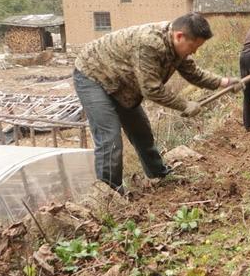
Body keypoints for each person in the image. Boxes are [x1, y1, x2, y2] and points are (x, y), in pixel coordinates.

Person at [73, 12, 241, 194]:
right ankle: (109, 194)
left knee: (141, 131)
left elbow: (194, 73)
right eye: (193, 46)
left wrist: (224, 82)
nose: (194, 52)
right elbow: (152, 90)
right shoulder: (150, 44)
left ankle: (158, 175)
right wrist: (184, 104)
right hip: (93, 76)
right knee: (110, 139)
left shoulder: (177, 45)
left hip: (123, 82)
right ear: (179, 36)